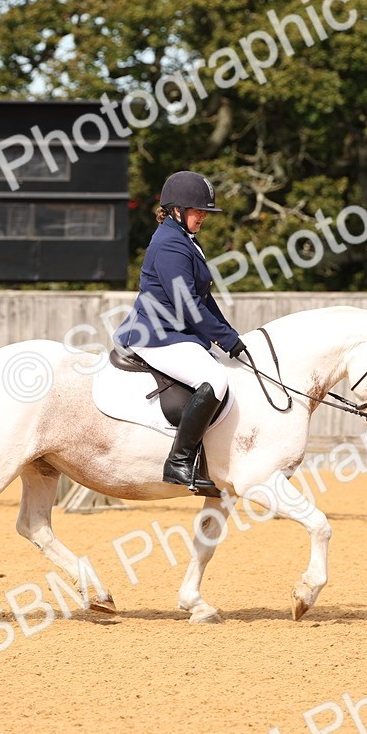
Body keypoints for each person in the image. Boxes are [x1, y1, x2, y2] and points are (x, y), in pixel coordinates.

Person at [114, 171, 247, 493]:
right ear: (176, 210)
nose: (203, 216)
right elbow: (187, 304)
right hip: (155, 336)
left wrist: (229, 335)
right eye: (198, 210)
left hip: (176, 332)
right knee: (214, 380)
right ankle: (179, 461)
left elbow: (204, 296)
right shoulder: (170, 244)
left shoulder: (185, 238)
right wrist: (225, 339)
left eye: (204, 211)